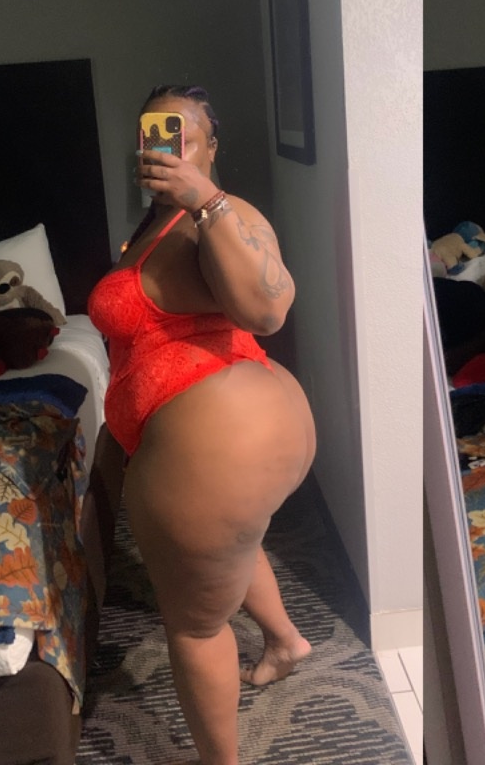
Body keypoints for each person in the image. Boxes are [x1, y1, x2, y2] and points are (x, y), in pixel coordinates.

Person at [88, 85, 316, 765]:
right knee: (232, 550)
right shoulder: (156, 226)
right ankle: (285, 640)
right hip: (248, 437)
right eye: (154, 131)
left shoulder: (225, 213)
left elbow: (267, 310)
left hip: (223, 440)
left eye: (183, 132)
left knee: (194, 627)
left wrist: (207, 201)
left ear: (211, 148)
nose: (166, 144)